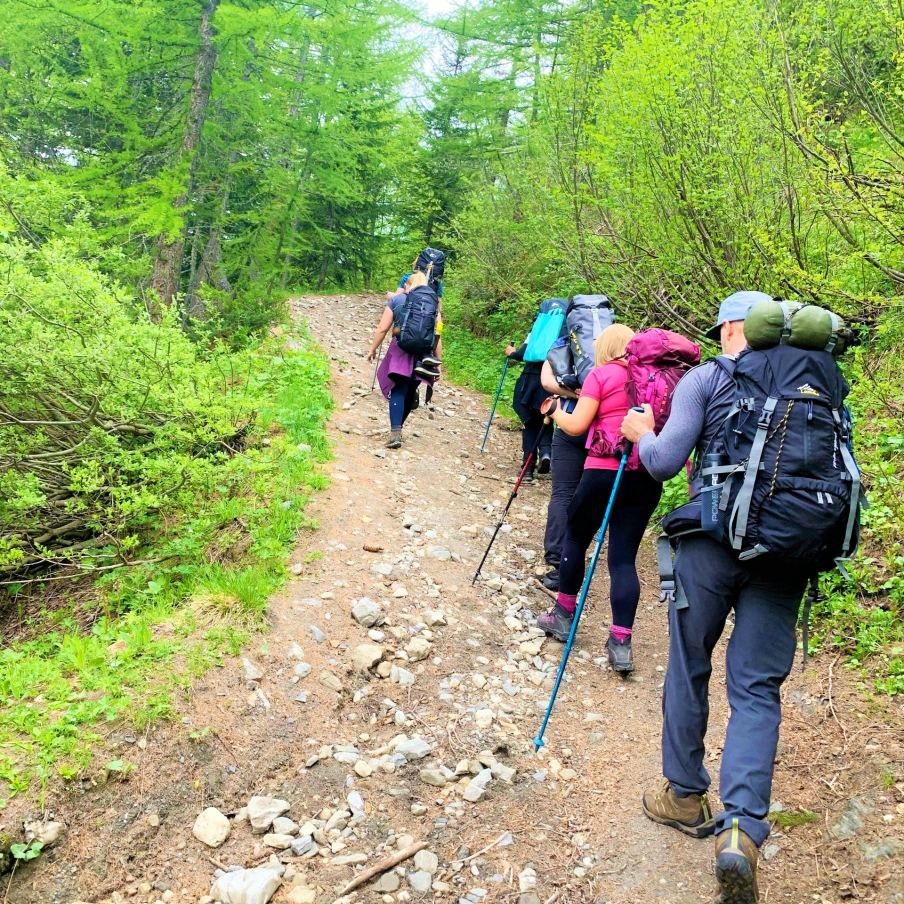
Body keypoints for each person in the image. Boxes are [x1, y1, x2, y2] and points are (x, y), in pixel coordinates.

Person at [621, 290, 804, 904]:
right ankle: (742, 833)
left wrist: (642, 431)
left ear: (730, 328)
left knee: (690, 662)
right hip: (784, 553)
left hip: (710, 543)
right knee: (756, 688)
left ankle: (683, 792)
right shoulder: (814, 384)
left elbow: (666, 463)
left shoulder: (708, 377)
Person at [536, 324, 663, 674]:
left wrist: (553, 412)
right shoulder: (653, 380)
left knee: (577, 536)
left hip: (602, 471)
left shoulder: (603, 374)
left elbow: (576, 425)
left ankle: (563, 615)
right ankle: (620, 642)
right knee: (623, 558)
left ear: (605, 348)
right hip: (644, 475)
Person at [367, 270, 436, 448]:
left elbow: (382, 328)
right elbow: (437, 336)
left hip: (400, 349)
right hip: (423, 354)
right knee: (410, 390)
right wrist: (438, 362)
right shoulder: (432, 304)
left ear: (408, 284)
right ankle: (398, 429)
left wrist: (372, 349)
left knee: (398, 389)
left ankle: (395, 433)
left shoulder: (397, 300)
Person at [537, 346, 587, 591]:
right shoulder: (618, 349)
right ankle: (574, 558)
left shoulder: (563, 343)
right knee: (587, 497)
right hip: (603, 432)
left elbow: (546, 381)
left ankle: (558, 561)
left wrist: (575, 396)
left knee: (562, 494)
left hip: (568, 421)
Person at [505, 338, 553, 481]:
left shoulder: (541, 327)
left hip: (530, 381)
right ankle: (546, 453)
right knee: (547, 418)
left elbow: (524, 353)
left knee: (530, 422)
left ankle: (528, 467)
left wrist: (512, 353)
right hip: (552, 382)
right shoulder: (565, 331)